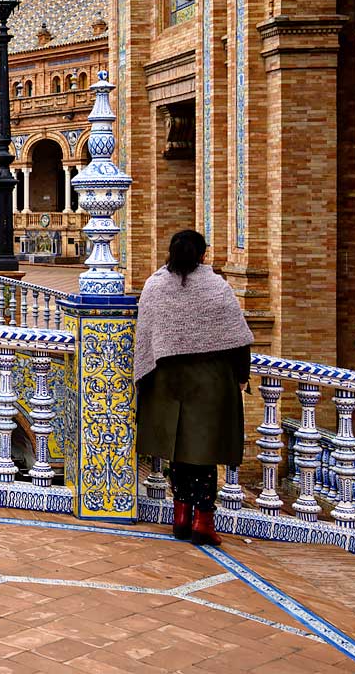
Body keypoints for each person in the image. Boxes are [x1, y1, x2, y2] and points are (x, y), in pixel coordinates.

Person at [134, 229, 254, 546]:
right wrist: (242, 376)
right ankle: (203, 521)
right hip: (211, 380)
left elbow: (144, 336)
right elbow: (238, 339)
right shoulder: (217, 287)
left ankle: (180, 517)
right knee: (204, 453)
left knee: (178, 451)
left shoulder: (155, 286)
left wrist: (144, 379)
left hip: (167, 381)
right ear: (203, 254)